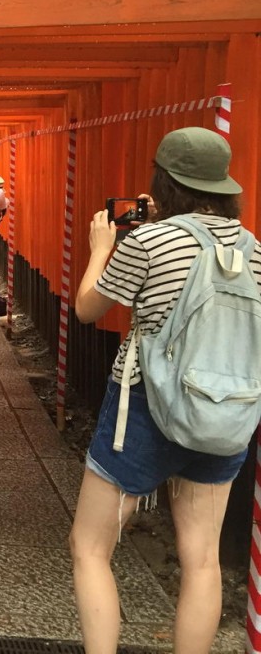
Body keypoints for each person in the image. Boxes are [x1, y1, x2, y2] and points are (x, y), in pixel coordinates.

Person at [70, 127, 261, 653]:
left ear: (163, 180)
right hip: (224, 414)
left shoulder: (148, 239)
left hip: (146, 407)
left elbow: (89, 308)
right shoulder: (256, 250)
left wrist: (101, 248)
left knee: (90, 547)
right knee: (201, 558)